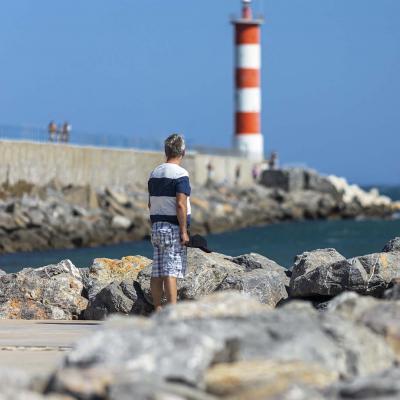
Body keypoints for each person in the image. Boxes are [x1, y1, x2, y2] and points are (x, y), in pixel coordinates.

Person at [148, 133, 191, 311]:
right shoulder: (181, 174)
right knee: (171, 271)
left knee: (157, 271)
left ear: (166, 151)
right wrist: (183, 231)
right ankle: (172, 312)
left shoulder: (154, 173)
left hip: (157, 227)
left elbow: (150, 203)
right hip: (172, 228)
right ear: (183, 152)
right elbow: (180, 204)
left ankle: (158, 309)